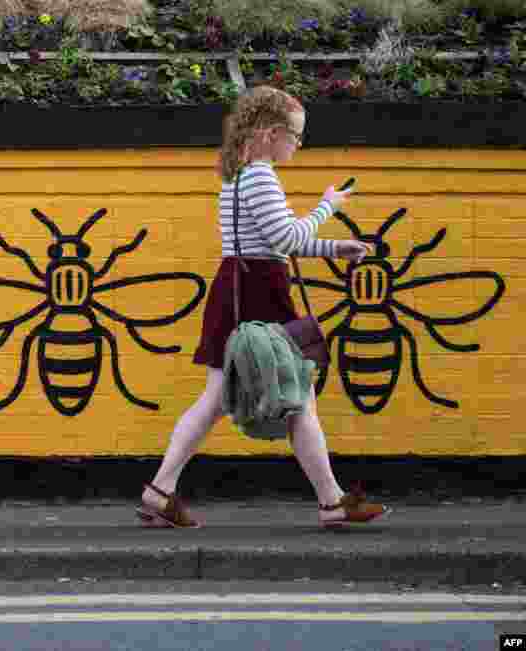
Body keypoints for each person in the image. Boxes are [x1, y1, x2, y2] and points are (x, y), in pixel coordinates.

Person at [135, 85, 391, 529]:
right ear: (272, 134)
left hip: (239, 287)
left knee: (218, 399)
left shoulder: (239, 175)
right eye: (296, 135)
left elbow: (272, 240)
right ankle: (331, 502)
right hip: (259, 293)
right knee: (298, 397)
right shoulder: (259, 176)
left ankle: (159, 492)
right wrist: (327, 210)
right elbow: (285, 239)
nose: (298, 144)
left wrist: (335, 247)